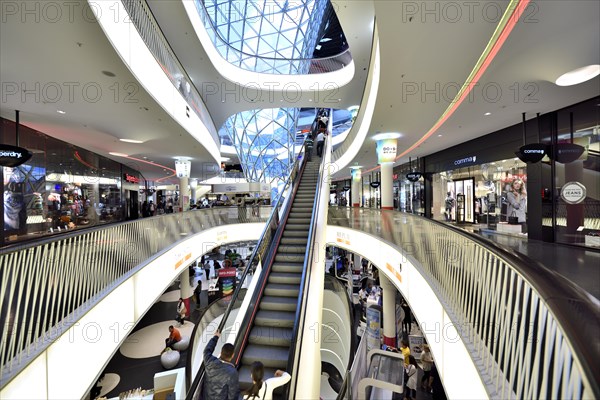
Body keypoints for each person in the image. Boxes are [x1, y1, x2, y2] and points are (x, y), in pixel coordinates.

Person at [203, 330, 240, 400]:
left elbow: (207, 350)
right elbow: (233, 395)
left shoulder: (209, 361)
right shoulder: (232, 372)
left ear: (221, 352)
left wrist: (215, 337)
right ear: (232, 355)